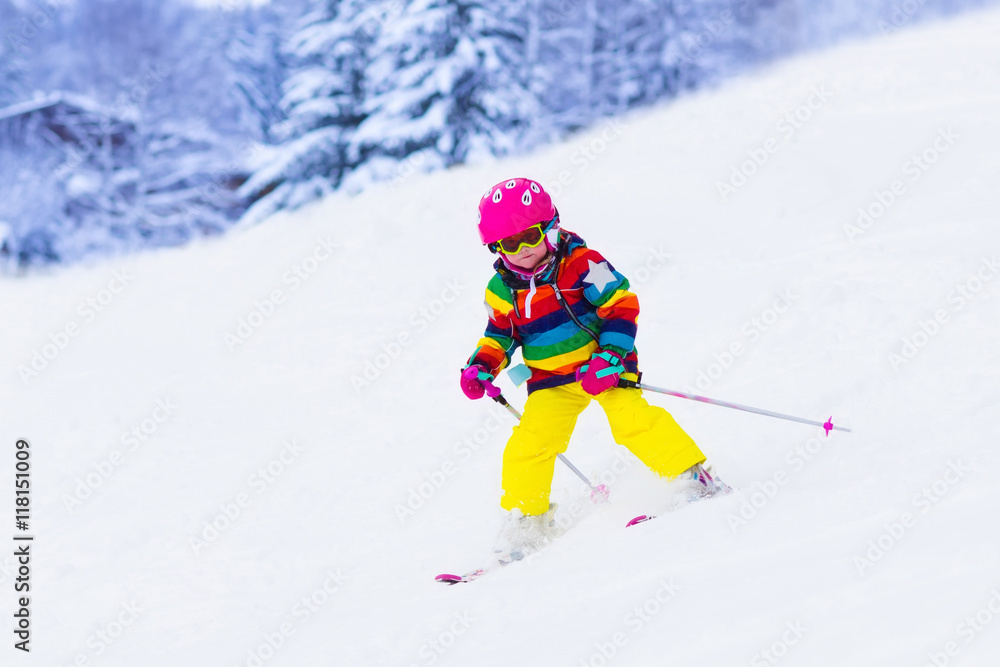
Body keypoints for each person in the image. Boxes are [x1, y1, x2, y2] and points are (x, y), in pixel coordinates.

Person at [460, 178, 729, 551]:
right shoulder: (500, 289)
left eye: (531, 236)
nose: (522, 250)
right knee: (529, 445)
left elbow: (621, 305)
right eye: (509, 243)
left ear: (550, 228)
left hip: (604, 368)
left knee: (632, 421)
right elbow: (499, 336)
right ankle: (529, 521)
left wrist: (610, 357)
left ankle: (692, 476)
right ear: (495, 247)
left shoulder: (584, 264)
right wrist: (482, 367)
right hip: (550, 380)